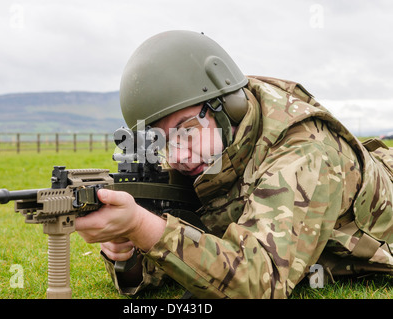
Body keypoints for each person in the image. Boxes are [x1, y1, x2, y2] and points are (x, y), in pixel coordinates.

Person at [75, 30, 393, 298]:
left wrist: (146, 227)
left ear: (228, 107)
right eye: (164, 142)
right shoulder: (210, 155)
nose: (179, 156)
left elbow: (262, 282)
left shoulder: (302, 152)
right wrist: (128, 251)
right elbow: (179, 260)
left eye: (187, 132)